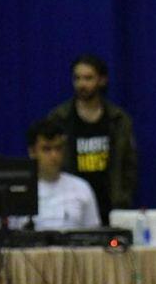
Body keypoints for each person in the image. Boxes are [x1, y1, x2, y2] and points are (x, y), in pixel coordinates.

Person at [48, 54, 137, 223]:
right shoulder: (60, 118)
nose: (82, 84)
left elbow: (129, 164)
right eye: (77, 78)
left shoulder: (118, 120)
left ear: (102, 80)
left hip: (111, 204)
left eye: (88, 78)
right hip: (71, 205)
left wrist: (123, 197)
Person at [8, 118, 101, 231]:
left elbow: (94, 234)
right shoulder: (16, 190)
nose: (54, 156)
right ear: (32, 152)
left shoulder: (81, 188)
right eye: (46, 149)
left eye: (58, 148)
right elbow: (2, 235)